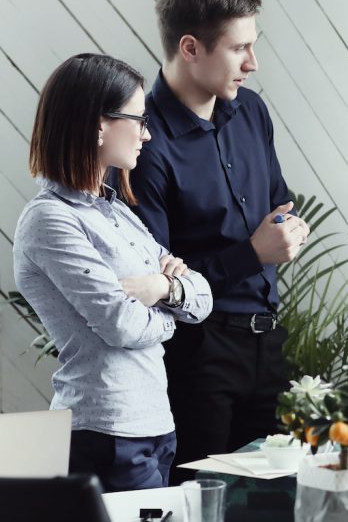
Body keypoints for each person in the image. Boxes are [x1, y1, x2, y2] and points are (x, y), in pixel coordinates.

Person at [130, 0, 310, 481]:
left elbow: (280, 202)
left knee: (273, 502)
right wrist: (254, 253)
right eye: (239, 49)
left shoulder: (252, 111)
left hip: (267, 341)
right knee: (200, 500)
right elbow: (159, 283)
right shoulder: (143, 144)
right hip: (196, 353)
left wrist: (286, 232)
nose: (252, 64)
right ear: (190, 47)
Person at [13, 53, 212, 492]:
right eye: (139, 119)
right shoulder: (50, 219)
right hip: (105, 432)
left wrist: (160, 286)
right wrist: (171, 308)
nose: (147, 133)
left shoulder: (117, 212)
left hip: (156, 424)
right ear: (99, 124)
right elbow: (120, 324)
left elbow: (202, 297)